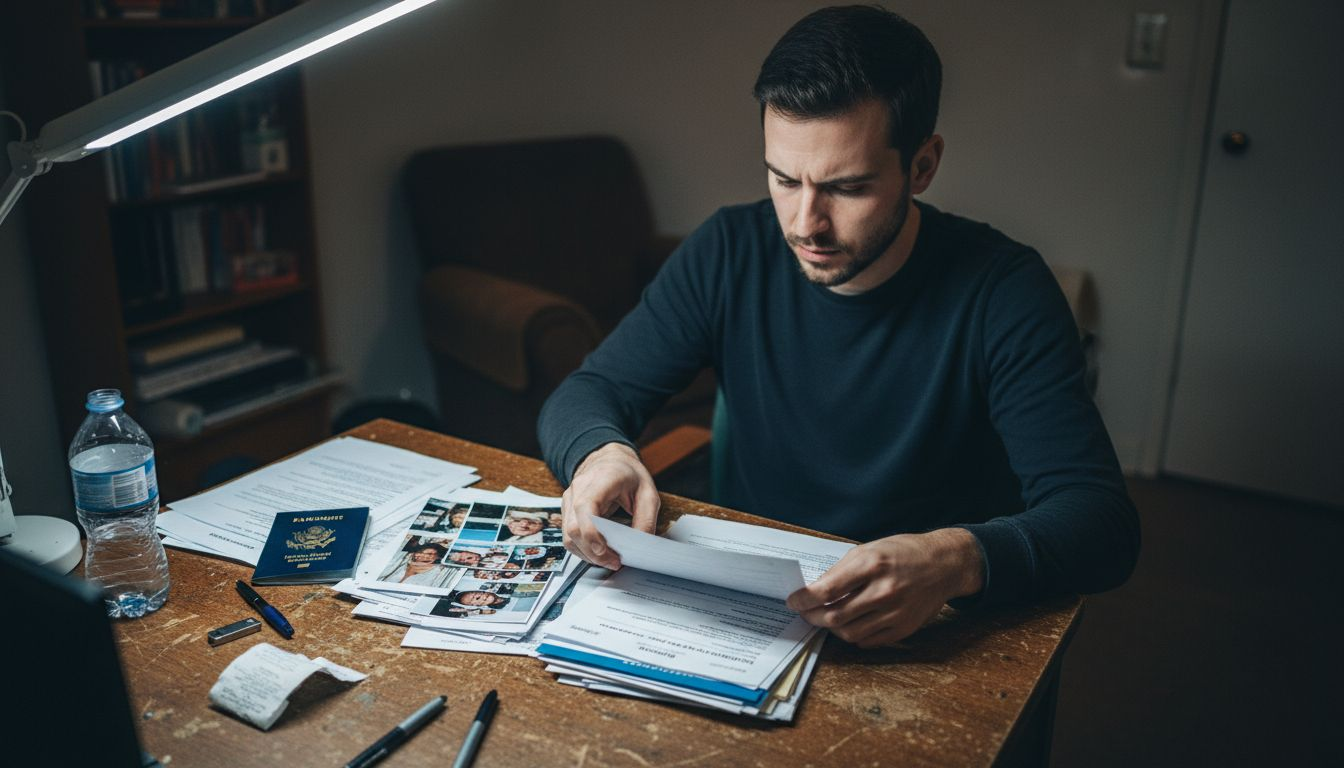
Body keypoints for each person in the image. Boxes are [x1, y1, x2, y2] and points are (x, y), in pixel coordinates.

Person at [537, 5, 1139, 649]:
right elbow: (585, 394)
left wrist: (957, 559)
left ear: (923, 165)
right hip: (749, 614)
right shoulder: (728, 251)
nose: (805, 223)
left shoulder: (1005, 291)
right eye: (783, 179)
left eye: (847, 188)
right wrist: (602, 451)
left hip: (918, 628)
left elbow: (1100, 522)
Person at [379, 542, 453, 587]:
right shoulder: (402, 562)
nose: (422, 555)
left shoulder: (439, 570)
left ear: (437, 557)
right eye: (420, 552)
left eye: (430, 554)